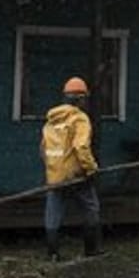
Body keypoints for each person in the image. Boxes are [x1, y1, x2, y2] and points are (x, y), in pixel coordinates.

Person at [40, 76, 102, 261]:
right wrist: (91, 169)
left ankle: (52, 253)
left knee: (53, 212)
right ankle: (91, 250)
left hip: (54, 174)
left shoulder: (51, 120)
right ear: (80, 99)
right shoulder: (79, 119)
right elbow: (81, 146)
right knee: (91, 206)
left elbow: (43, 149)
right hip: (75, 174)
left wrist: (53, 168)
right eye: (84, 99)